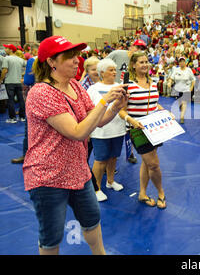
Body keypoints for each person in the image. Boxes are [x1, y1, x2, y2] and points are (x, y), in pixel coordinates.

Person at [23, 36, 129, 255]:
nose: (76, 61)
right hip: (48, 177)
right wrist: (104, 101)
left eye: (76, 55)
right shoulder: (41, 93)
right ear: (52, 62)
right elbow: (77, 132)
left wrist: (116, 106)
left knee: (92, 220)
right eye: (70, 57)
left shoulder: (74, 86)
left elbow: (96, 121)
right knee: (51, 236)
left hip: (77, 171)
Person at [118, 52, 170, 209]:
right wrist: (132, 121)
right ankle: (161, 192)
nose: (145, 64)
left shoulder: (152, 82)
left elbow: (154, 104)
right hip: (137, 130)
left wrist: (165, 112)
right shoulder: (128, 85)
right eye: (141, 62)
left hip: (154, 128)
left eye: (146, 61)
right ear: (133, 65)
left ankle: (142, 193)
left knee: (147, 163)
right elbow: (120, 110)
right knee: (153, 164)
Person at [87, 59, 126, 202]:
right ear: (102, 72)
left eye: (115, 70)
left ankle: (110, 181)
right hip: (100, 132)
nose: (114, 72)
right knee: (100, 159)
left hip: (118, 129)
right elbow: (89, 111)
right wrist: (89, 131)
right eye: (111, 70)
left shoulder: (120, 87)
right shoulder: (93, 89)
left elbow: (124, 107)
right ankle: (96, 188)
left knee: (113, 157)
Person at [0, 44, 26, 123]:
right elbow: (26, 67)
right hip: (18, 82)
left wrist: (0, 80)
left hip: (9, 82)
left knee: (10, 100)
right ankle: (22, 117)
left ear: (11, 50)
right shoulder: (20, 59)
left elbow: (4, 70)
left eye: (6, 48)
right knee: (21, 99)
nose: (5, 49)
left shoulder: (6, 59)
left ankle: (12, 118)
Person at [167, 56, 196, 124]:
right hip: (178, 90)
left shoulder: (189, 70)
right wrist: (169, 82)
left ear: (185, 62)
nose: (182, 63)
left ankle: (182, 116)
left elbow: (193, 80)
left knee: (184, 103)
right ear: (179, 63)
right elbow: (171, 78)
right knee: (180, 104)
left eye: (183, 61)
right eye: (180, 61)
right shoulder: (176, 70)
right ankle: (181, 110)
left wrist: (191, 88)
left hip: (186, 89)